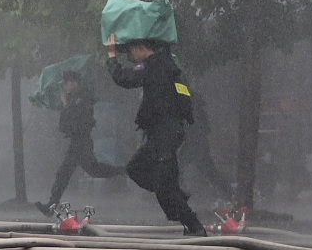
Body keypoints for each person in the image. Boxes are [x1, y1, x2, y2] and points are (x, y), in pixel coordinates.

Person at [104, 36, 206, 236]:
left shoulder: (152, 66)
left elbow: (123, 78)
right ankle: (177, 199)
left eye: (132, 51)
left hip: (163, 135)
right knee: (137, 170)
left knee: (161, 186)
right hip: (168, 133)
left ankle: (194, 225)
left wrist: (111, 55)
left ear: (141, 47)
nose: (132, 56)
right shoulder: (169, 66)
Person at [40, 72, 125, 213]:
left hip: (81, 142)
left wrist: (66, 105)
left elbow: (74, 121)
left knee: (70, 172)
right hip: (77, 142)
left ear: (74, 83)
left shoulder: (82, 99)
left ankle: (51, 204)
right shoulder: (76, 98)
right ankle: (123, 170)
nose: (65, 86)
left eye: (67, 83)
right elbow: (64, 126)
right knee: (90, 170)